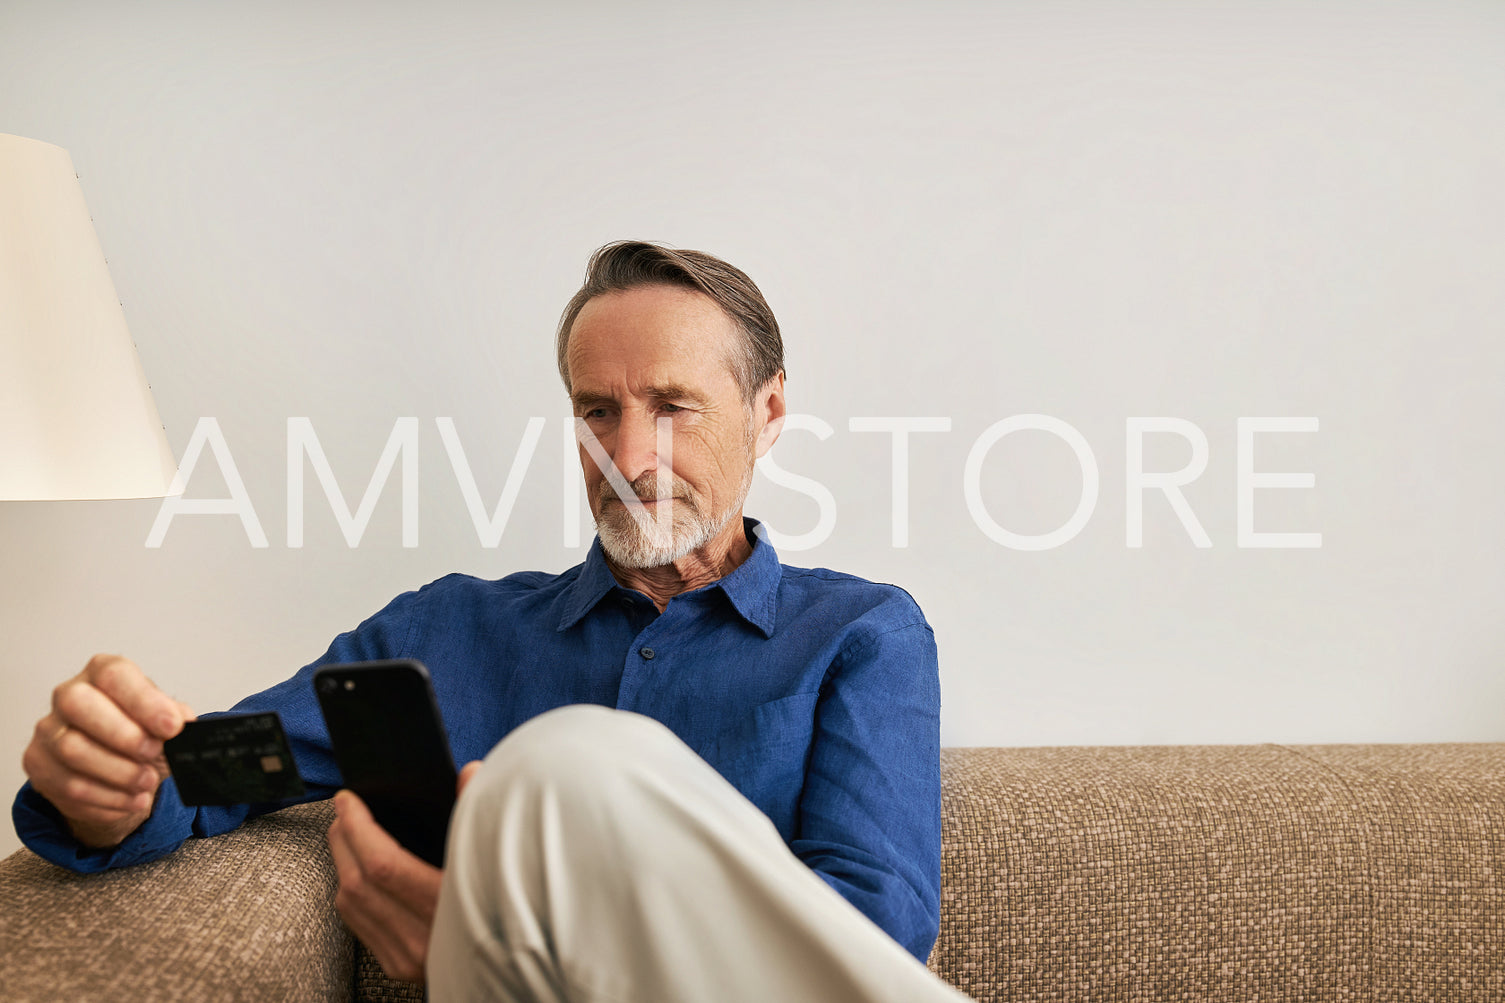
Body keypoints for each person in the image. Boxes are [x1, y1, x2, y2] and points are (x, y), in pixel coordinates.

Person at [16, 241, 970, 1001]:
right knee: (562, 764)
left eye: (673, 406)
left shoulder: (863, 634)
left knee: (564, 763)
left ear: (767, 415)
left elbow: (867, 943)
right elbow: (215, 770)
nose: (629, 455)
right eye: (596, 411)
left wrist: (491, 935)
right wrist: (110, 783)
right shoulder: (446, 632)